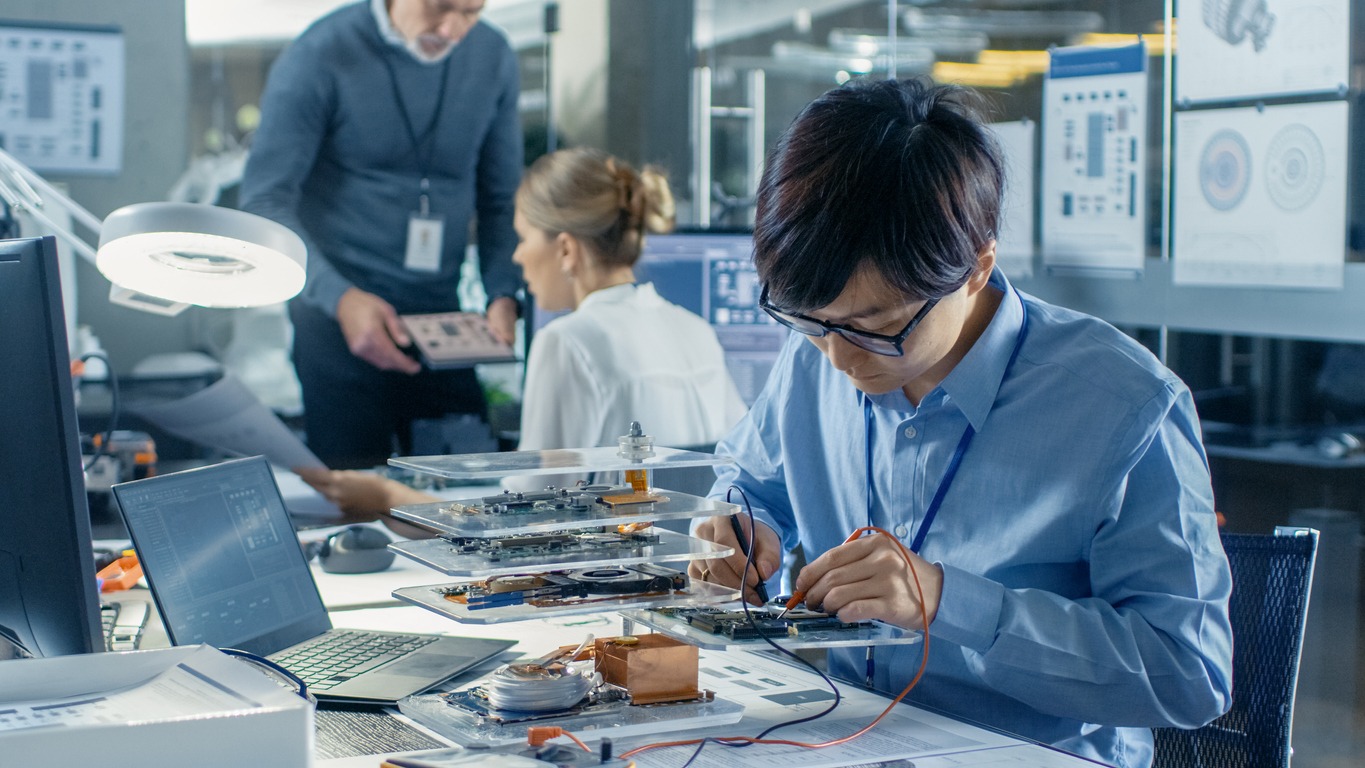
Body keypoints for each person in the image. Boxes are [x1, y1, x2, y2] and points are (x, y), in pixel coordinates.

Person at [690, 77, 1232, 768]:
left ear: (976, 266)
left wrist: (947, 603)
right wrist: (737, 525)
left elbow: (1191, 674)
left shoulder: (1123, 406)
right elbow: (750, 480)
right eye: (810, 322)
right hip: (841, 737)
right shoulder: (817, 353)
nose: (839, 359)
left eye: (874, 328)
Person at [302, 147, 746, 520]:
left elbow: (519, 523)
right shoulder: (696, 330)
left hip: (610, 590)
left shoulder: (569, 340)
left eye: (524, 237)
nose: (517, 256)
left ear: (566, 249)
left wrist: (388, 500)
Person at [240, 0, 522, 470]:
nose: (453, 29)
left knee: (469, 499)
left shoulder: (492, 56)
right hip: (336, 321)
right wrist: (340, 298)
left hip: (441, 321)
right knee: (355, 507)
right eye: (441, 7)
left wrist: (503, 293)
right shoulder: (319, 53)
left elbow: (502, 200)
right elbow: (264, 205)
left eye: (471, 12)